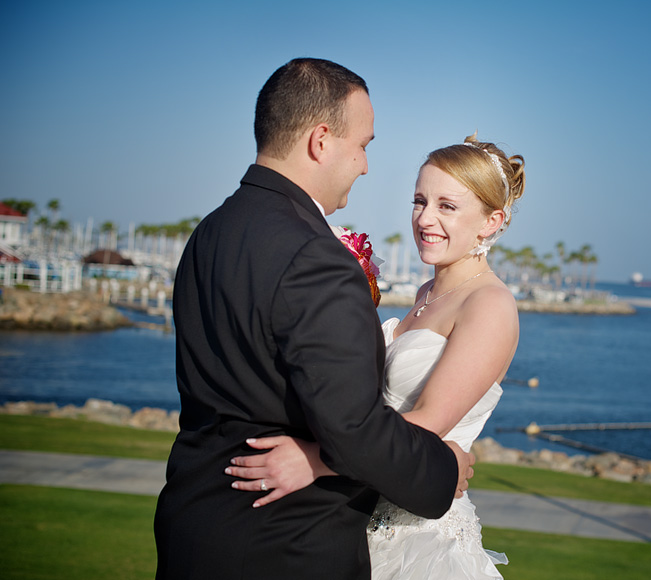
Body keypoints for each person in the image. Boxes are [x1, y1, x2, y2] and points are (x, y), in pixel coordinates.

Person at [153, 58, 474, 580]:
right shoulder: (315, 258)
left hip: (194, 523)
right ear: (321, 140)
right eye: (363, 144)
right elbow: (354, 431)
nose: (366, 165)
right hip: (283, 546)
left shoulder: (210, 232)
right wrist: (443, 467)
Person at [227, 134, 526, 578]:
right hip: (362, 510)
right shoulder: (428, 293)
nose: (425, 218)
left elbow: (426, 424)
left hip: (420, 541)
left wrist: (312, 460)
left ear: (490, 221)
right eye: (419, 201)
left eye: (447, 206)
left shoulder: (489, 305)